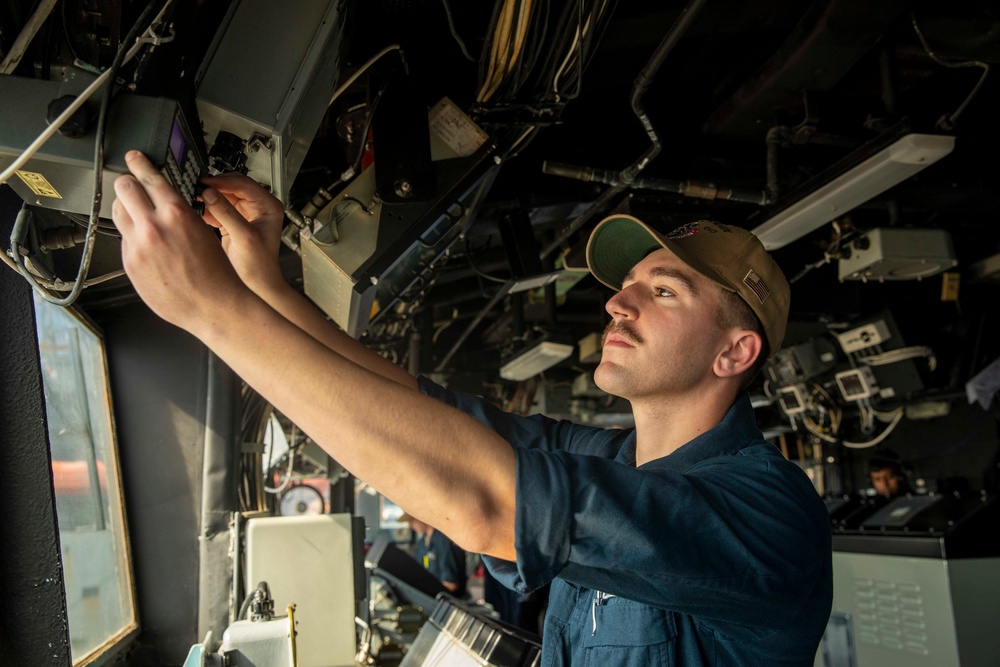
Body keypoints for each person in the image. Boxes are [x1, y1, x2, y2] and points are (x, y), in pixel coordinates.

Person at [111, 151, 832, 666]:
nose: (617, 300)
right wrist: (264, 287)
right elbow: (416, 410)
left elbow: (484, 499)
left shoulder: (767, 511)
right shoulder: (609, 457)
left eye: (665, 290)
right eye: (628, 284)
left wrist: (215, 313)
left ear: (734, 353)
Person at [401, 513, 466, 595]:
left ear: (420, 516)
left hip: (446, 598)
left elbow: (450, 584)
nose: (410, 525)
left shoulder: (443, 539)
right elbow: (421, 567)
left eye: (412, 520)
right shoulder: (422, 544)